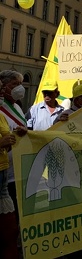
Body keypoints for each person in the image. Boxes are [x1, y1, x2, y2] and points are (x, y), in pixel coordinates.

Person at [0, 70, 26, 222]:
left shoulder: (17, 107)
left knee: (12, 216)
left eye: (21, 84)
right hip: (4, 170)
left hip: (16, 171)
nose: (19, 88)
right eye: (15, 84)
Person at [0, 110, 19, 259]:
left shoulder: (1, 116)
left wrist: (17, 138)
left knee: (10, 229)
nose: (2, 92)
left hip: (4, 173)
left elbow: (7, 145)